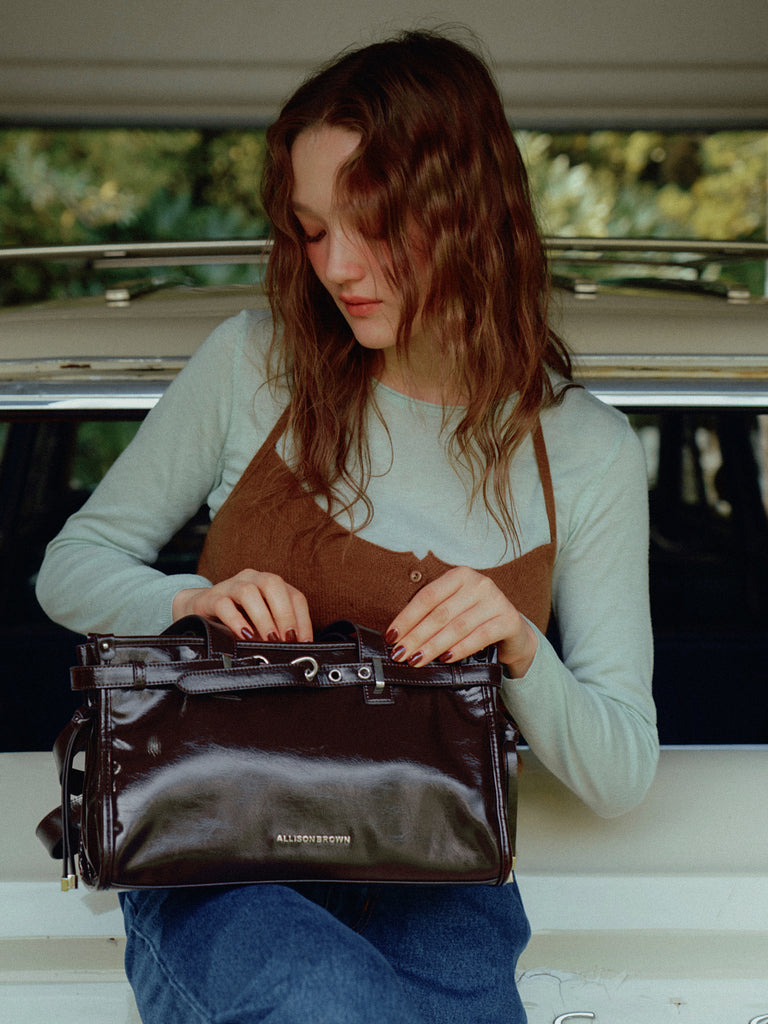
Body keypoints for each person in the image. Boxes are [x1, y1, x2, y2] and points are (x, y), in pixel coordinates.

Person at [36, 28, 658, 1024]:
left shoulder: (589, 451)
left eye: (368, 226)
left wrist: (516, 641)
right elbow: (71, 565)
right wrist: (192, 601)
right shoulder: (252, 364)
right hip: (217, 842)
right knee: (328, 999)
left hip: (443, 876)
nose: (335, 266)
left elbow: (622, 771)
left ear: (464, 210)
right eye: (311, 229)